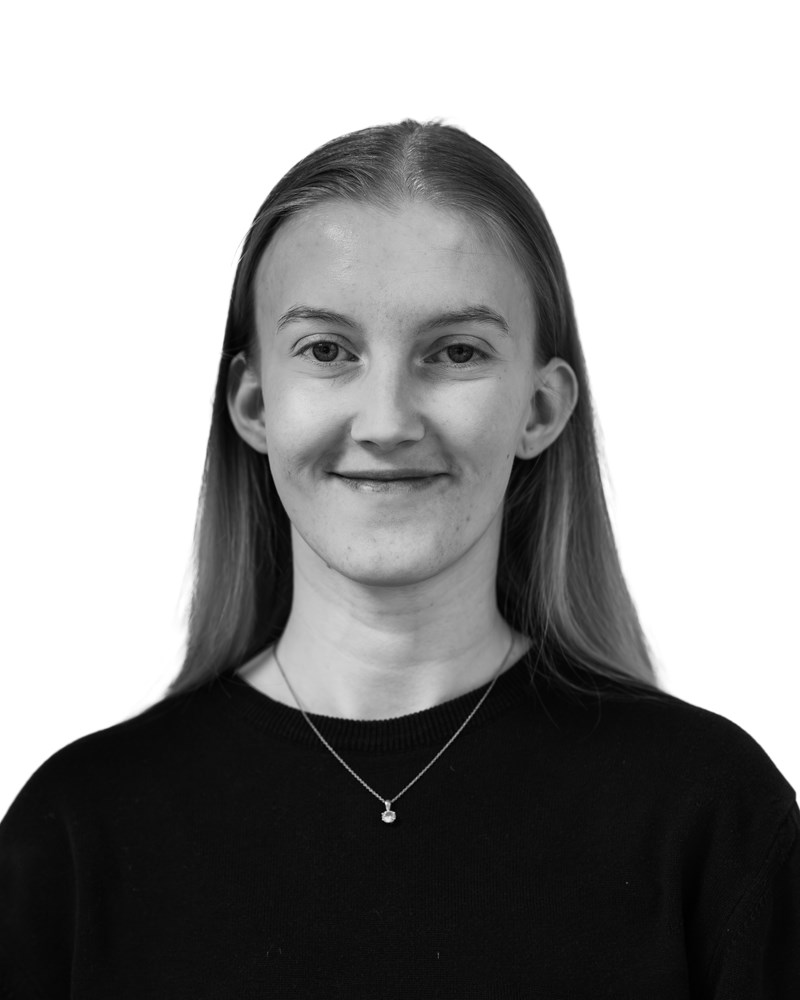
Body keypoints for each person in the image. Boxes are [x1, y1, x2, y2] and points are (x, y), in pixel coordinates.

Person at [1, 119, 797, 998]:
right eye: (327, 351)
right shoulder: (73, 839)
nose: (386, 422)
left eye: (455, 352)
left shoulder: (714, 820)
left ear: (540, 409)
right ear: (255, 404)